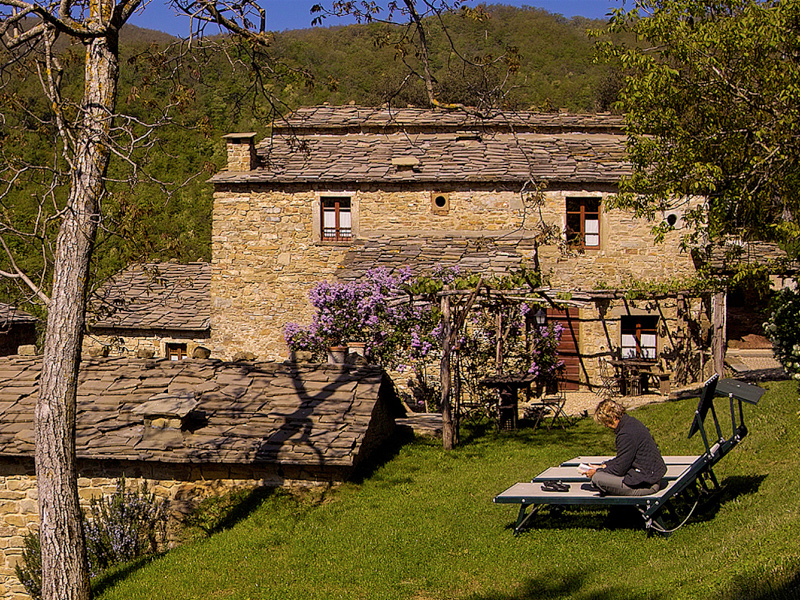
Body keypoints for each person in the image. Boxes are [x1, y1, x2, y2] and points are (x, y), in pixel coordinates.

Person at [583, 399, 667, 496]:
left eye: (606, 422)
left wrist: (597, 471)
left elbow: (619, 469)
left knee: (597, 478)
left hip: (646, 484)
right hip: (652, 477)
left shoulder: (625, 434)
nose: (606, 426)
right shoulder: (632, 423)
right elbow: (624, 458)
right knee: (602, 474)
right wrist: (604, 466)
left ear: (614, 417)